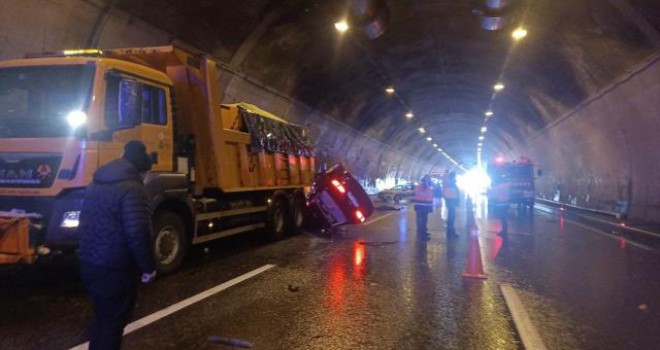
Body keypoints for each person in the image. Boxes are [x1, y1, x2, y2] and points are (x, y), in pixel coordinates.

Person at [78, 140, 157, 350]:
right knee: (113, 323)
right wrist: (148, 267)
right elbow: (138, 232)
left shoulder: (96, 183)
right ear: (141, 170)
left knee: (102, 317)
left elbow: (84, 221)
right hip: (116, 268)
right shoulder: (133, 189)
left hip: (90, 262)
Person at [442, 172, 460, 238]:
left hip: (451, 202)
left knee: (451, 217)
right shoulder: (450, 183)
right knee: (451, 218)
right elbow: (447, 193)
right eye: (455, 176)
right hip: (451, 202)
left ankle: (451, 232)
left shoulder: (451, 183)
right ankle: (450, 232)